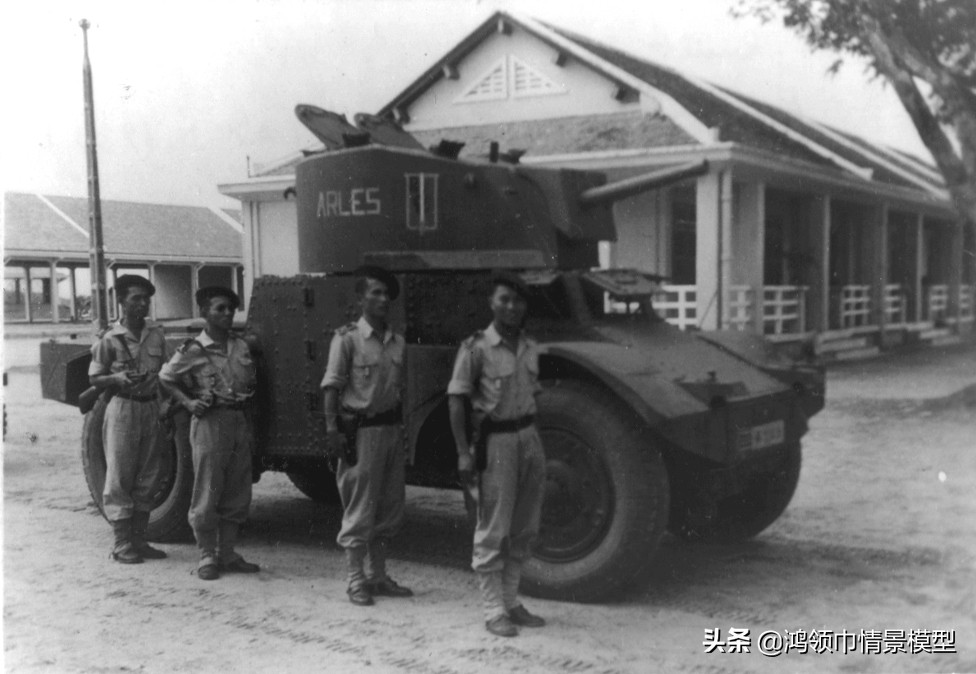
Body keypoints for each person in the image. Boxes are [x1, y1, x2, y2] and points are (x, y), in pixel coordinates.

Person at [447, 270, 547, 638]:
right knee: (493, 528)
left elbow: (535, 397)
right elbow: (456, 400)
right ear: (492, 302)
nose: (511, 306)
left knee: (525, 527)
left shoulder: (529, 346)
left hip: (528, 438)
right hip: (496, 443)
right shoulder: (475, 347)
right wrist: (463, 453)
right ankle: (493, 610)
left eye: (518, 301)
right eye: (504, 299)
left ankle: (511, 600)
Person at [321, 265, 413, 606]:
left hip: (390, 430)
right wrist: (332, 429)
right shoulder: (347, 338)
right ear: (360, 298)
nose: (382, 298)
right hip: (361, 432)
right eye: (374, 292)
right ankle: (355, 579)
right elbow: (331, 386)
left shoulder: (396, 341)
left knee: (389, 507)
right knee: (359, 508)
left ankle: (378, 576)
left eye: (386, 293)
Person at [159, 286, 259, 581]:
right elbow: (166, 377)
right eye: (219, 308)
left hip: (238, 421)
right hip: (210, 423)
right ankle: (207, 555)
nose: (227, 314)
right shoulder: (194, 350)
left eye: (230, 308)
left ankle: (227, 552)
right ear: (204, 313)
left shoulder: (240, 346)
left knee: (237, 490)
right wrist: (188, 402)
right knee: (208, 489)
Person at [89, 274, 172, 564]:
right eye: (136, 298)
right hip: (123, 408)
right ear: (122, 301)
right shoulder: (110, 339)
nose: (142, 303)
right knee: (120, 476)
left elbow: (166, 374)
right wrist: (117, 377)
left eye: (146, 298)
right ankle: (122, 543)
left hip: (150, 408)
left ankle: (140, 539)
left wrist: (165, 405)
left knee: (149, 475)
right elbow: (94, 376)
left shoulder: (156, 335)